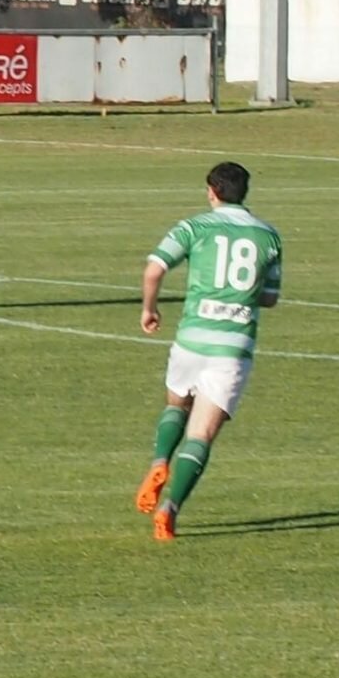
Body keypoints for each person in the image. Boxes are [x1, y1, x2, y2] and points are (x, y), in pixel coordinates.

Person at [135, 162, 282, 542]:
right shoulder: (269, 236)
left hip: (191, 340)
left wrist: (149, 309)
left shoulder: (194, 226)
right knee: (201, 435)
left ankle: (159, 461)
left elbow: (154, 270)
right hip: (232, 347)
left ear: (211, 191)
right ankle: (170, 510)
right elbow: (270, 298)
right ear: (245, 192)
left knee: (176, 405)